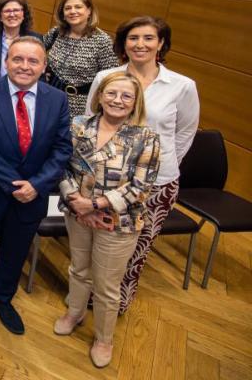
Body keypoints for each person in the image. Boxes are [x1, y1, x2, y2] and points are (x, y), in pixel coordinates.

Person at [0, 36, 72, 335]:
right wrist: (14, 183)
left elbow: (62, 148)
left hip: (33, 194)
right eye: (18, 59)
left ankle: (2, 298)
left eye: (33, 60)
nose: (24, 66)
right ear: (6, 62)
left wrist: (36, 185)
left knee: (15, 251)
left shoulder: (57, 99)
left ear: (44, 66)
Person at [88, 16, 199, 313]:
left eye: (148, 38)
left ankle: (116, 303)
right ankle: (88, 298)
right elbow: (91, 123)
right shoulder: (105, 78)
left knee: (136, 247)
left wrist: (159, 163)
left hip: (157, 184)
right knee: (100, 240)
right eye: (133, 38)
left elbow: (185, 131)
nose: (140, 44)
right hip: (106, 179)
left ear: (161, 43)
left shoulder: (182, 86)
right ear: (124, 43)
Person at [56, 72, 160, 368]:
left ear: (135, 103)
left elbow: (141, 186)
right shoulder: (77, 126)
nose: (118, 100)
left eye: (127, 96)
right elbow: (62, 167)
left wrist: (95, 204)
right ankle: (74, 312)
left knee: (106, 284)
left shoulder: (146, 138)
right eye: (112, 93)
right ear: (99, 96)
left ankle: (104, 338)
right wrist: (76, 201)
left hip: (118, 222)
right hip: (77, 212)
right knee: (78, 269)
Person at [42, 0, 119, 116]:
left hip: (81, 107)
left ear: (89, 11)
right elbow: (35, 52)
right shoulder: (57, 32)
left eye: (78, 7)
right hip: (49, 97)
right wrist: (43, 71)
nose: (72, 11)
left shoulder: (102, 40)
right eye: (68, 8)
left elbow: (111, 78)